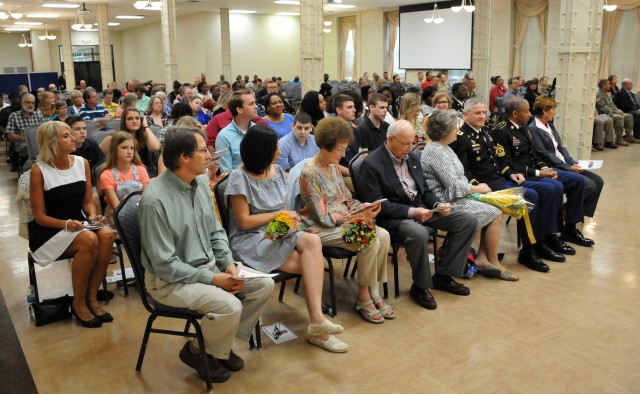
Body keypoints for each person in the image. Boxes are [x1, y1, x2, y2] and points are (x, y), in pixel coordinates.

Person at [140, 125, 274, 383]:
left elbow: (215, 231)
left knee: (263, 285)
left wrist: (227, 264)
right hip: (170, 281)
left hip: (209, 267)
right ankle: (196, 350)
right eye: (203, 150)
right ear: (184, 158)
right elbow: (165, 265)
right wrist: (213, 279)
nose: (210, 155)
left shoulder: (200, 184)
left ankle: (215, 349)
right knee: (230, 305)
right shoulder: (154, 200)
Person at [225, 124, 347, 352]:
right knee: (314, 262)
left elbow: (285, 212)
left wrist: (293, 223)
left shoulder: (278, 172)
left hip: (277, 231)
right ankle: (318, 328)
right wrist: (280, 216)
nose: (279, 153)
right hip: (250, 240)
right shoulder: (238, 178)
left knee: (313, 240)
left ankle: (317, 321)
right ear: (262, 151)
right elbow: (244, 222)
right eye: (275, 149)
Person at [359, 120, 480, 309]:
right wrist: (412, 212)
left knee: (468, 221)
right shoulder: (371, 164)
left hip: (422, 208)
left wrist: (437, 204)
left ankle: (444, 276)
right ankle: (421, 287)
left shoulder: (413, 158)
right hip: (394, 218)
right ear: (390, 139)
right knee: (419, 234)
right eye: (405, 143)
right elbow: (377, 206)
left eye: (412, 142)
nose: (409, 148)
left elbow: (426, 191)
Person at [451, 99, 570, 273]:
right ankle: (529, 250)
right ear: (465, 114)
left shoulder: (484, 132)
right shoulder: (461, 138)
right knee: (529, 196)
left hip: (498, 180)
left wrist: (510, 173)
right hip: (484, 187)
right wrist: (477, 186)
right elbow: (463, 171)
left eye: (484, 112)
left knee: (547, 189)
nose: (482, 116)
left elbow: (497, 162)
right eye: (477, 113)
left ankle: (543, 240)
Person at [299, 117, 393, 325]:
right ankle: (363, 296)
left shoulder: (333, 167)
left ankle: (373, 289)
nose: (343, 155)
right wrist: (354, 216)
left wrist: (362, 207)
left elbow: (346, 198)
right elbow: (321, 217)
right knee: (370, 239)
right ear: (324, 147)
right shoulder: (309, 173)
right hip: (319, 229)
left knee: (384, 235)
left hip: (342, 221)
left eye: (344, 149)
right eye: (339, 150)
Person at [29, 121, 115, 327]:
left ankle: (92, 297)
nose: (74, 139)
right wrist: (66, 224)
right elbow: (40, 216)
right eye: (66, 136)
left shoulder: (81, 163)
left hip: (78, 222)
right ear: (51, 143)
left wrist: (93, 216)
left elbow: (87, 202)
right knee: (89, 240)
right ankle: (79, 303)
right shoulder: (38, 171)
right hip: (50, 229)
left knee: (107, 234)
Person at [421, 110, 514, 282]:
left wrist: (476, 189)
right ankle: (490, 261)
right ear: (445, 131)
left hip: (456, 196)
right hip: (445, 202)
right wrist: (478, 189)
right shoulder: (435, 151)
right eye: (456, 127)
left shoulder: (444, 148)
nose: (458, 130)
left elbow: (460, 179)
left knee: (496, 208)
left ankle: (483, 259)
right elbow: (453, 185)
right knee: (495, 212)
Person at [492, 98, 594, 249]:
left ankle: (568, 229)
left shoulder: (524, 126)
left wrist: (544, 168)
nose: (530, 114)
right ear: (515, 113)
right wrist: (539, 172)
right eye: (526, 111)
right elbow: (507, 164)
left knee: (576, 181)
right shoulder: (501, 131)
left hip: (534, 170)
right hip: (520, 174)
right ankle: (547, 236)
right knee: (555, 187)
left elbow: (534, 155)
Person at [529, 96, 604, 220]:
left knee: (598, 181)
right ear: (544, 111)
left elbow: (561, 148)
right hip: (552, 166)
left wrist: (571, 162)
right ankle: (568, 213)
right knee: (589, 185)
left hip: (563, 163)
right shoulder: (533, 129)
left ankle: (573, 211)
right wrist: (568, 167)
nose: (555, 113)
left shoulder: (550, 125)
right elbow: (544, 154)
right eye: (553, 109)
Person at [99, 131, 150, 224]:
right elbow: (117, 208)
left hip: (142, 215)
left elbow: (148, 199)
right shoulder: (106, 175)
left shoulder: (141, 170)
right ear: (114, 150)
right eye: (124, 148)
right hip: (118, 220)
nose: (129, 152)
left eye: (132, 148)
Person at [100, 107, 161, 177]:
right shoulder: (114, 138)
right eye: (130, 119)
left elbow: (156, 147)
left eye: (137, 118)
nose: (134, 121)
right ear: (124, 121)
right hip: (121, 175)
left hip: (144, 174)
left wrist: (145, 126)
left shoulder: (144, 136)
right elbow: (97, 156)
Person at [215, 90, 259, 172]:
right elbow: (226, 173)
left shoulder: (257, 130)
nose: (256, 106)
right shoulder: (224, 136)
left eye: (255, 103)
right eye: (251, 104)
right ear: (239, 110)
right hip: (238, 182)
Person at [6, 93, 46, 168]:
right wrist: (27, 139)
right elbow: (9, 135)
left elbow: (45, 129)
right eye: (28, 102)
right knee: (32, 147)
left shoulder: (38, 115)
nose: (30, 105)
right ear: (22, 103)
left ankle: (43, 167)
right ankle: (35, 169)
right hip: (22, 143)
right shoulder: (14, 116)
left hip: (38, 141)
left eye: (33, 103)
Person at [595, 79, 637, 146]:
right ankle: (619, 139)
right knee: (619, 117)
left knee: (629, 116)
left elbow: (613, 105)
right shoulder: (598, 95)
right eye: (608, 84)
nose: (610, 85)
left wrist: (618, 110)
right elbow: (604, 108)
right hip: (602, 115)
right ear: (603, 86)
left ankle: (629, 136)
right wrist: (616, 112)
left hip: (611, 113)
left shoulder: (607, 94)